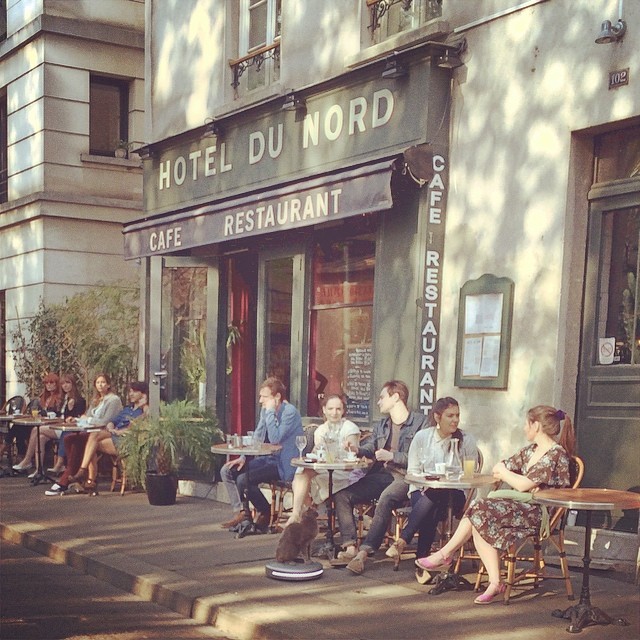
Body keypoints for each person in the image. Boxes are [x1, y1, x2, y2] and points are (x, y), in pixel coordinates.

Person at [415, 405, 576, 605]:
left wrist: (512, 476)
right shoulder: (531, 450)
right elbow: (502, 467)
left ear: (536, 426)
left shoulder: (555, 454)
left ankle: (446, 555)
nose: (524, 428)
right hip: (522, 506)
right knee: (479, 513)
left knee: (479, 510)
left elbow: (521, 482)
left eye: (527, 424)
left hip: (540, 513)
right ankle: (493, 581)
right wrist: (511, 475)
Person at [332, 380, 427, 573]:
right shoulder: (382, 424)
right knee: (342, 494)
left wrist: (393, 456)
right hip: (383, 474)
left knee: (386, 498)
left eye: (382, 397)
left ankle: (365, 552)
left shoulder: (420, 423)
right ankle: (350, 546)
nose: (378, 402)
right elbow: (371, 448)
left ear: (396, 397)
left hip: (407, 477)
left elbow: (422, 458)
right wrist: (357, 449)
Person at [384, 397, 478, 564]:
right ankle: (424, 563)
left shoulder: (466, 439)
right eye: (450, 416)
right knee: (432, 501)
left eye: (457, 415)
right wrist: (428, 481)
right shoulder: (422, 438)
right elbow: (412, 473)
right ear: (437, 417)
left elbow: (470, 475)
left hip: (455, 494)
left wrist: (454, 476)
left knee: (434, 497)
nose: (455, 420)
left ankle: (406, 541)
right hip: (421, 491)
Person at [219, 377, 303, 532]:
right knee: (228, 471)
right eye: (260, 396)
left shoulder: (289, 412)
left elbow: (275, 438)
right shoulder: (265, 411)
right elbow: (258, 436)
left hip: (284, 464)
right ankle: (241, 513)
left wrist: (270, 411)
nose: (260, 401)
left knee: (244, 479)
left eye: (264, 397)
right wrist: (243, 457)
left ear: (277, 397)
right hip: (269, 459)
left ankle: (264, 510)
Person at [284, 394, 361, 527]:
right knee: (302, 473)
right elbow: (318, 454)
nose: (334, 413)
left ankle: (305, 516)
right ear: (324, 409)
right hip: (326, 469)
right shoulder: (321, 430)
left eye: (338, 409)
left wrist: (349, 447)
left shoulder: (349, 427)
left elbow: (352, 456)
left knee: (303, 479)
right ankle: (299, 514)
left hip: (345, 472)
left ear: (343, 411)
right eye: (330, 409)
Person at [45, 373, 123, 496]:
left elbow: (105, 421)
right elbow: (85, 416)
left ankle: (71, 477)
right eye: (98, 383)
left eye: (103, 382)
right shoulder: (96, 399)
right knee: (69, 438)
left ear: (108, 384)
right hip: (91, 430)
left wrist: (88, 419)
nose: (100, 385)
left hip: (104, 431)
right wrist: (76, 420)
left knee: (82, 441)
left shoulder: (114, 400)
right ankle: (80, 478)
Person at [67, 381, 149, 486]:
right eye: (130, 391)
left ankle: (87, 478)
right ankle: (86, 477)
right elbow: (113, 421)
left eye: (135, 392)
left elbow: (135, 427)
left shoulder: (144, 411)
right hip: (114, 434)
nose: (131, 394)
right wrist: (110, 426)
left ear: (143, 394)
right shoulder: (128, 409)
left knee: (92, 442)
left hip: (126, 440)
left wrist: (145, 404)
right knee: (92, 439)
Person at [11, 373, 63, 474]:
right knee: (32, 433)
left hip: (54, 426)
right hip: (45, 425)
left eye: (51, 382)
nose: (49, 385)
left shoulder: (60, 398)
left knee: (35, 430)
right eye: (46, 383)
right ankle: (38, 470)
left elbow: (59, 416)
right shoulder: (45, 398)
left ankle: (26, 460)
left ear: (57, 384)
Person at [49, 373, 87, 474]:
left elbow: (78, 416)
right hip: (61, 426)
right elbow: (62, 415)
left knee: (65, 433)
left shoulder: (79, 400)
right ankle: (36, 466)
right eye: (63, 384)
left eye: (67, 383)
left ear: (73, 384)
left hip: (72, 429)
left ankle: (60, 462)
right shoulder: (63, 398)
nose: (65, 386)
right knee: (38, 432)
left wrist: (70, 409)